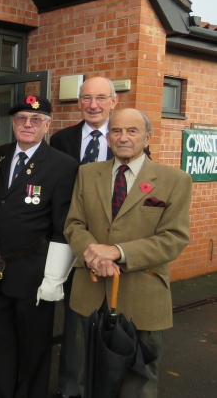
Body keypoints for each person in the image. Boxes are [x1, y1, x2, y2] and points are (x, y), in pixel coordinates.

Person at [65, 108, 191, 398]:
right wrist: (94, 255)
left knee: (138, 384)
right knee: (91, 378)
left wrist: (117, 252)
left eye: (132, 131)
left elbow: (174, 239)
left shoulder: (174, 180)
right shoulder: (86, 174)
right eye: (116, 131)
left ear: (147, 136)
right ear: (108, 137)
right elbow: (74, 224)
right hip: (92, 293)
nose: (123, 137)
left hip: (143, 299)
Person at [0, 96, 78, 398]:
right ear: (12, 123)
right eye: (21, 118)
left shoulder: (63, 166)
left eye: (35, 119)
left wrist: (54, 278)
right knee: (0, 343)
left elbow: (63, 227)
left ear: (48, 125)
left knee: (34, 347)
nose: (27, 124)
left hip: (35, 272)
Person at [49, 76, 118, 398]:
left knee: (108, 319)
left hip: (111, 246)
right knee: (74, 320)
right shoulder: (62, 139)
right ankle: (71, 389)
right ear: (79, 102)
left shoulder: (124, 138)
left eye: (101, 98)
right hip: (69, 240)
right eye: (87, 98)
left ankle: (103, 385)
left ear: (113, 102)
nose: (93, 105)